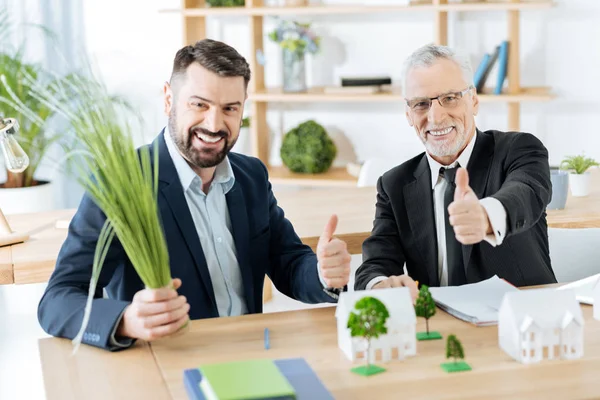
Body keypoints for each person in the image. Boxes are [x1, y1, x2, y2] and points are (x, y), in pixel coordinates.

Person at [38, 39, 351, 351]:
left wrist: (323, 275)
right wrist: (126, 320)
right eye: (199, 104)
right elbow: (58, 299)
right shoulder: (121, 184)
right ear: (168, 99)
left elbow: (289, 262)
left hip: (251, 357)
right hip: (168, 366)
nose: (215, 124)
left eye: (230, 108)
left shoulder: (251, 176)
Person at [354, 44, 556, 297]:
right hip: (439, 325)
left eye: (449, 98)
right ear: (408, 114)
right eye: (421, 104)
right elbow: (376, 264)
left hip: (522, 319)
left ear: (473, 101)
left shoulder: (519, 149)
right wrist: (381, 285)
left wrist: (486, 216)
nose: (436, 117)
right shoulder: (394, 184)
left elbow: (526, 192)